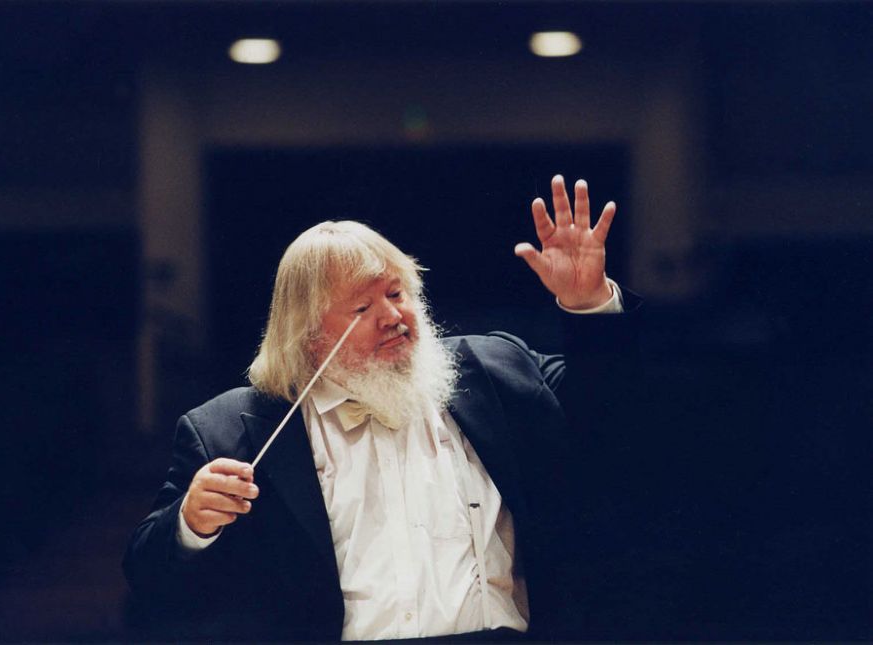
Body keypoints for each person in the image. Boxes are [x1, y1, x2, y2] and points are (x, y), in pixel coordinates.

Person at [123, 175, 642, 642]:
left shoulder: (494, 369)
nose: (393, 315)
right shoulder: (225, 431)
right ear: (307, 335)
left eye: (397, 292)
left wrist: (589, 303)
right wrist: (191, 522)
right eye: (362, 307)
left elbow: (619, 414)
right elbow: (146, 575)